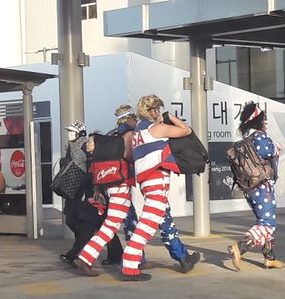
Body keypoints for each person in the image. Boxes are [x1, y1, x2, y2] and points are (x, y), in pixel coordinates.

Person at [115, 95, 194, 281]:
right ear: (145, 111)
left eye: (157, 108)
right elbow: (186, 130)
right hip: (156, 179)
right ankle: (129, 266)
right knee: (147, 225)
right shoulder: (154, 128)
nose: (155, 111)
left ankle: (131, 263)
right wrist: (169, 117)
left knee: (148, 223)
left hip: (145, 181)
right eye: (153, 109)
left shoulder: (137, 133)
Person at [227, 102, 285, 271]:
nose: (265, 123)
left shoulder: (245, 141)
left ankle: (269, 258)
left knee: (265, 221)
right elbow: (266, 151)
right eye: (264, 120)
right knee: (267, 223)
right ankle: (240, 247)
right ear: (259, 121)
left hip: (251, 188)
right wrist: (276, 147)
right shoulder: (259, 137)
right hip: (262, 186)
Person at [59, 120, 120, 268]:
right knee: (97, 225)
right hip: (83, 193)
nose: (88, 144)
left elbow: (90, 175)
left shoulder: (89, 154)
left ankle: (77, 255)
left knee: (88, 226)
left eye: (91, 142)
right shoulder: (74, 149)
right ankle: (114, 254)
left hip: (92, 196)